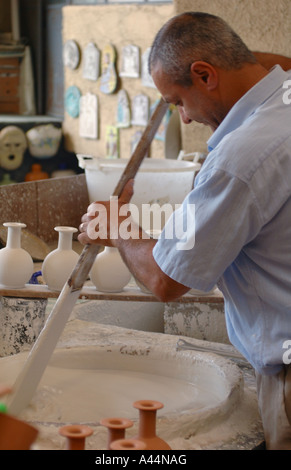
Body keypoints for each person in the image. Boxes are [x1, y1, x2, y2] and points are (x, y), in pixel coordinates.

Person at [78, 12, 291, 450]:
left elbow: (165, 279)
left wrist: (118, 226)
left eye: (177, 101)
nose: (186, 119)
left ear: (204, 75)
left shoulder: (240, 157)